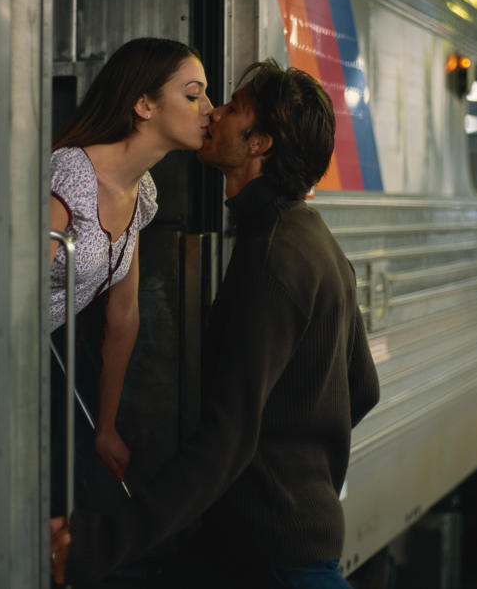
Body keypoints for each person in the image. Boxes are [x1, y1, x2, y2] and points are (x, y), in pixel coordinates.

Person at [50, 60, 380, 587]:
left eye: (233, 108)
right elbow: (362, 388)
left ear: (258, 144)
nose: (215, 113)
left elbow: (227, 439)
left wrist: (99, 543)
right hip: (273, 546)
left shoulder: (273, 259)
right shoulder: (308, 238)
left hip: (270, 557)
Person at [49, 37, 213, 483]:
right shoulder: (69, 175)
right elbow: (7, 294)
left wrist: (106, 427)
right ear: (144, 104)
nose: (210, 109)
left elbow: (124, 315)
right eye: (193, 95)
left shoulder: (143, 191)